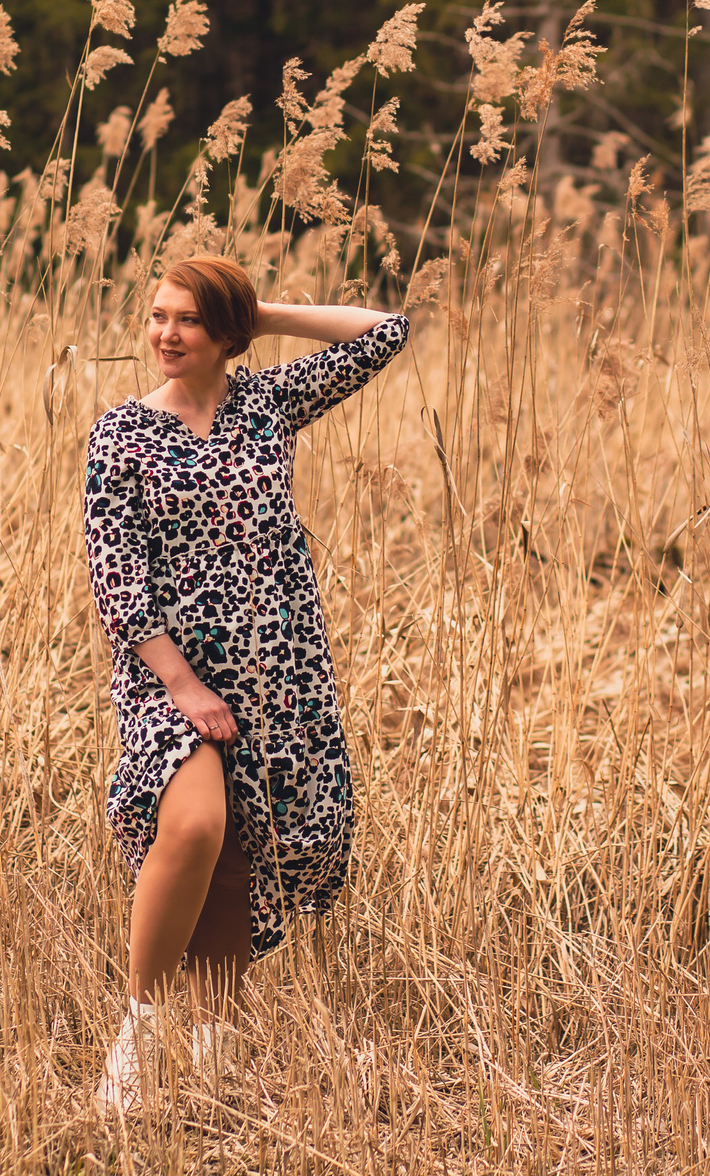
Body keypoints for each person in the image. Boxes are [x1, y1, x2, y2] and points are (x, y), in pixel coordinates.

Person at [80, 254, 409, 1108]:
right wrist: (185, 686)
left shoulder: (265, 401)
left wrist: (260, 312)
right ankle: (140, 1033)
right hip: (167, 670)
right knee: (192, 825)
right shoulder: (120, 433)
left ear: (226, 331)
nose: (165, 333)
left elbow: (386, 332)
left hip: (277, 661)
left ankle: (216, 1043)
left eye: (187, 318)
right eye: (157, 316)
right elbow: (117, 576)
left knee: (242, 844)